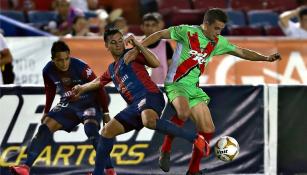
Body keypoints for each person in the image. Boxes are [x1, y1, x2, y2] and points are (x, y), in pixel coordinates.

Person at [125, 8, 281, 175]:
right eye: (216, 28)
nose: (219, 32)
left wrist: (265, 58)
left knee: (207, 128)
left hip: (194, 88)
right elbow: (159, 35)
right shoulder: (186, 31)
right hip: (176, 84)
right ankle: (165, 149)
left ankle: (193, 170)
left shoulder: (218, 42)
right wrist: (137, 49)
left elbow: (241, 52)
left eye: (221, 29)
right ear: (206, 24)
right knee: (183, 113)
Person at [71, 28, 209, 175]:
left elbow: (155, 63)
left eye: (120, 41)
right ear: (107, 46)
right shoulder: (112, 69)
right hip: (135, 106)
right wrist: (81, 88)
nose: (118, 45)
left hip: (150, 95)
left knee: (148, 121)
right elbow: (98, 81)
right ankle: (102, 172)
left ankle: (195, 139)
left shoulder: (131, 54)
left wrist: (138, 45)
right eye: (113, 42)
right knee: (106, 132)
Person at [10, 41, 116, 175]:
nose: (64, 63)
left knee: (91, 131)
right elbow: (50, 90)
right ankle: (25, 167)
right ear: (53, 60)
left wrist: (106, 112)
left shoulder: (81, 67)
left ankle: (109, 170)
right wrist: (47, 111)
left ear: (69, 56)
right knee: (45, 126)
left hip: (90, 103)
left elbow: (99, 86)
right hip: (69, 104)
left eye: (67, 59)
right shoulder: (47, 70)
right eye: (59, 60)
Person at [141, 13, 173, 84]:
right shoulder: (137, 46)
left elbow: (171, 67)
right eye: (147, 25)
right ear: (142, 27)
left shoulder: (166, 45)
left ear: (158, 27)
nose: (150, 28)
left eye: (153, 25)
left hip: (162, 88)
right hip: (144, 89)